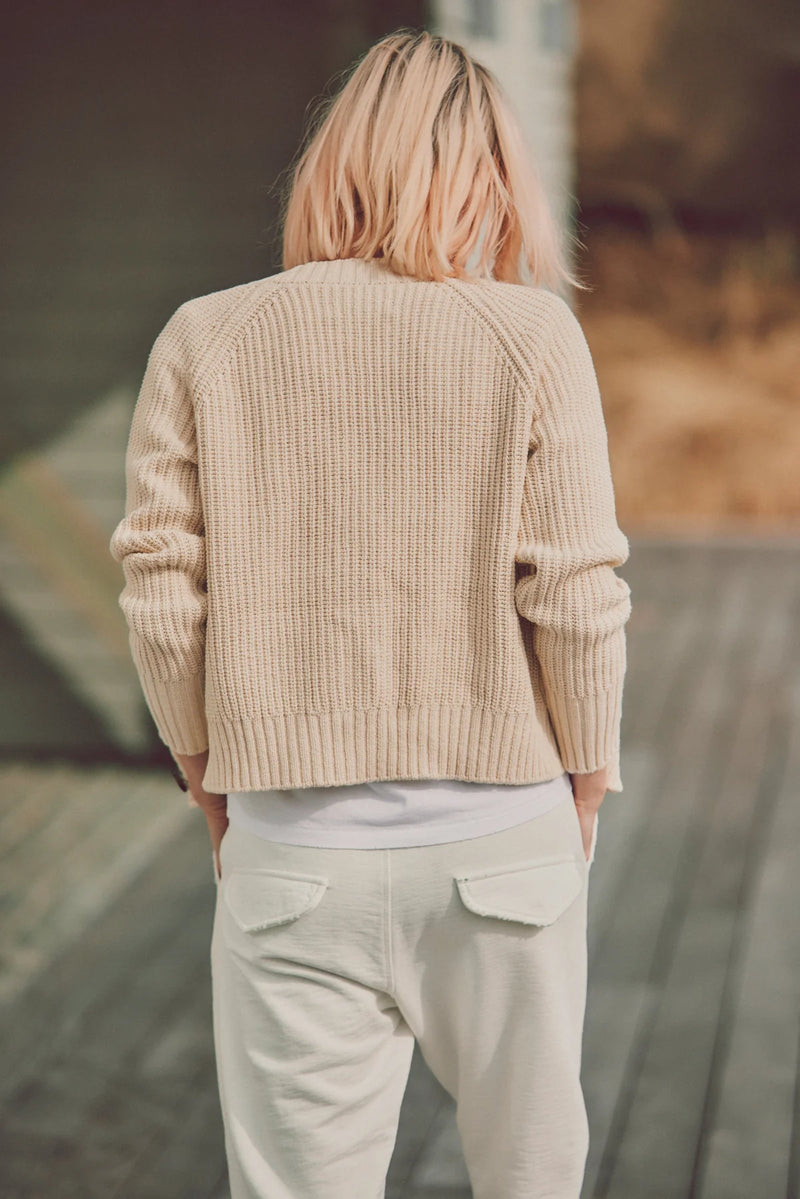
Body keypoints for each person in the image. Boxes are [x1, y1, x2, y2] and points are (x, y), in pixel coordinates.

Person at [109, 27, 632, 1199]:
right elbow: (577, 592)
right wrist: (583, 779)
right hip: (503, 846)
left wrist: (205, 771)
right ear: (491, 173)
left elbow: (159, 589)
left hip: (292, 855)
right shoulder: (530, 334)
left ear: (329, 167)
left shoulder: (206, 335)